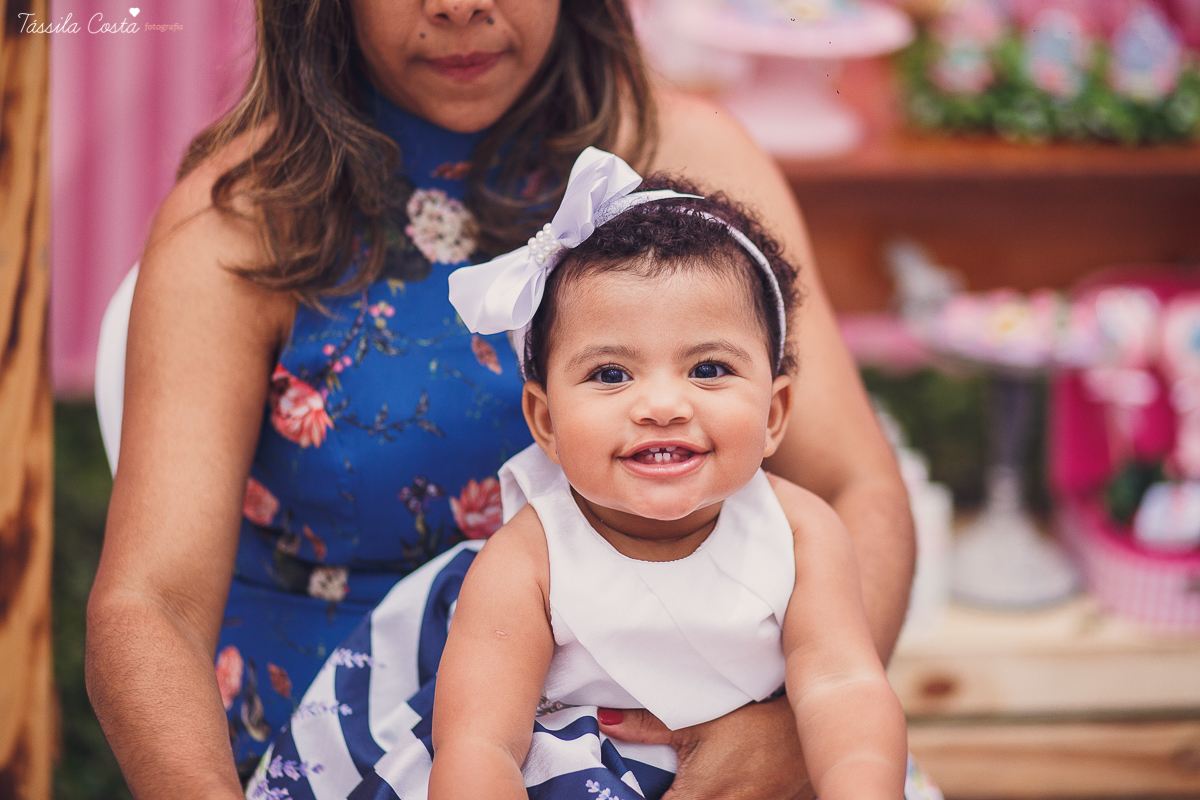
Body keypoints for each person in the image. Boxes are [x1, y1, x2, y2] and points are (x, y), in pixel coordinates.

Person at [86, 2, 918, 800]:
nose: (458, 5)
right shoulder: (247, 214)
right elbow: (149, 604)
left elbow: (859, 489)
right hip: (352, 740)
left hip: (705, 712)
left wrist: (791, 739)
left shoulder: (690, 156)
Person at [245, 150, 917, 800]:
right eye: (611, 374)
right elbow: (481, 745)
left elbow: (843, 688)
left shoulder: (800, 533)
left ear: (775, 414)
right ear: (544, 422)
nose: (661, 406)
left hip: (755, 775)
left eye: (708, 369)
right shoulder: (530, 559)